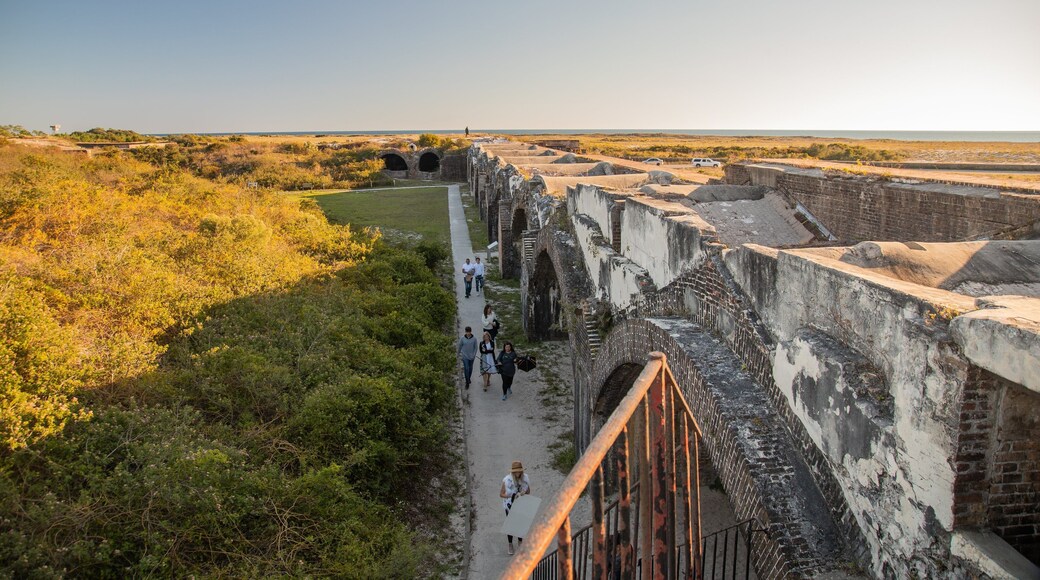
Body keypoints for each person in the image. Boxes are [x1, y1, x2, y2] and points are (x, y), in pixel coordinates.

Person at [500, 460, 531, 555]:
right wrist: (512, 495)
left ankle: (520, 542)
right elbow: (501, 494)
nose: (518, 473)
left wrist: (523, 493)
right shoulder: (507, 480)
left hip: (520, 503)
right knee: (511, 525)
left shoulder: (525, 478)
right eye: (516, 471)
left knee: (520, 523)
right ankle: (510, 544)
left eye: (519, 471)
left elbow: (528, 491)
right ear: (513, 472)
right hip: (509, 504)